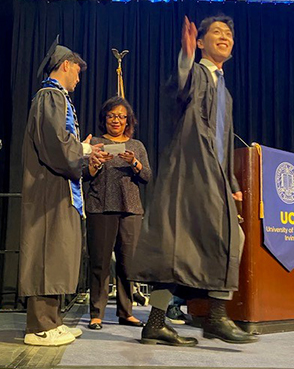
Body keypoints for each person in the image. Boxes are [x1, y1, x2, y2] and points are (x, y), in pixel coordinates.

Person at [129, 15, 258, 346]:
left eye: (228, 33)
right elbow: (179, 87)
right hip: (187, 172)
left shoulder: (225, 93)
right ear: (200, 42)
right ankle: (198, 319)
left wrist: (232, 184)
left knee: (228, 238)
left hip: (213, 176)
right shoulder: (198, 73)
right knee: (176, 245)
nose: (224, 36)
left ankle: (184, 320)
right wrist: (185, 57)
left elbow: (224, 143)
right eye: (216, 32)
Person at [19, 40, 110, 346]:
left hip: (60, 187)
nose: (79, 78)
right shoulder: (50, 97)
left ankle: (53, 320)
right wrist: (83, 150)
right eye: (78, 72)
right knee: (47, 251)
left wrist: (82, 153)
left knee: (58, 253)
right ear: (67, 65)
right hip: (48, 190)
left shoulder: (58, 99)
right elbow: (57, 145)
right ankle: (40, 326)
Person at [83, 96, 152, 330]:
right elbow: (84, 174)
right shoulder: (97, 143)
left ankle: (126, 312)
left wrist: (134, 163)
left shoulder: (136, 146)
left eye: (121, 116)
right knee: (100, 263)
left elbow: (147, 177)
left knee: (127, 264)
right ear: (105, 118)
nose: (116, 120)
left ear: (128, 121)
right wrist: (95, 162)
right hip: (100, 207)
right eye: (111, 116)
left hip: (130, 209)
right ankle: (96, 313)